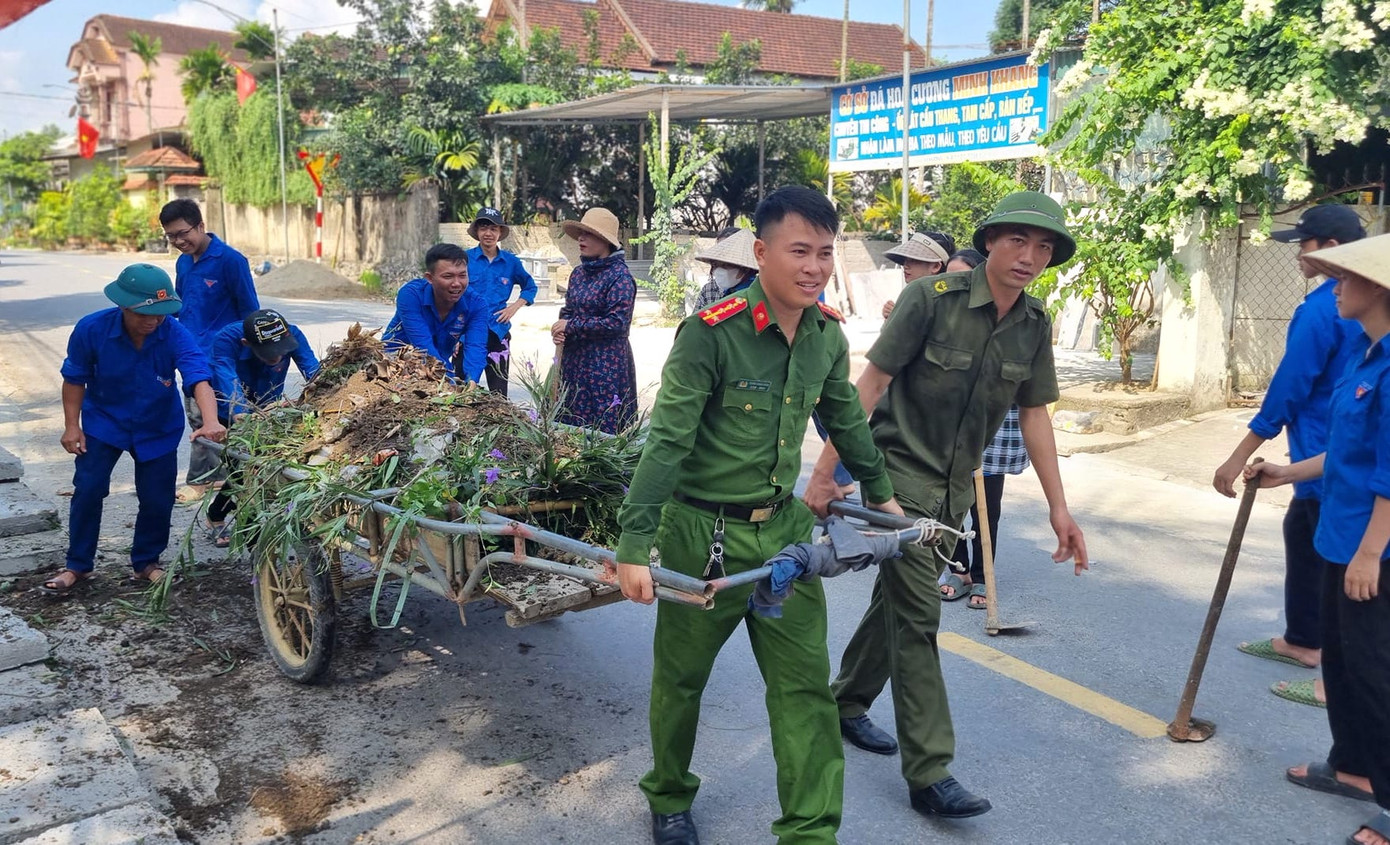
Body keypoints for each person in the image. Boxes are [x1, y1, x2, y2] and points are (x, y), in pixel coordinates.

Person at [612, 185, 903, 845]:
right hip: (700, 535)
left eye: (825, 252)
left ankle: (809, 830)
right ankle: (669, 794)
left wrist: (884, 498)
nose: (814, 266)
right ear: (762, 251)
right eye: (800, 250)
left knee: (803, 689)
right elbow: (668, 442)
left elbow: (846, 420)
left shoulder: (827, 335)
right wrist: (634, 545)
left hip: (784, 536)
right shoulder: (711, 335)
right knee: (681, 680)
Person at [804, 192, 1089, 820]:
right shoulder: (929, 301)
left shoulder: (1034, 324)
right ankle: (930, 771)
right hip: (894, 480)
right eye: (1017, 240)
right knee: (917, 612)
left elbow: (1035, 415)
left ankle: (846, 701)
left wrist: (1059, 510)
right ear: (990, 242)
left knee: (895, 602)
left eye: (1044, 247)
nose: (1030, 257)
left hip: (956, 488)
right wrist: (826, 474)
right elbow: (869, 387)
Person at [1244, 233, 1390, 845]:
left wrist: (1370, 552)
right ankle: (1352, 766)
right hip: (1340, 536)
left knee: (1375, 672)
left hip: (1372, 551)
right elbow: (1348, 455)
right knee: (1346, 663)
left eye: (1345, 281)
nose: (1335, 291)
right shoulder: (1366, 354)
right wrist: (1286, 471)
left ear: (1379, 291)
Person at [1212, 204, 1366, 708]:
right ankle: (1303, 640)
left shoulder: (1327, 309)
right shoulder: (1346, 304)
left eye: (1304, 243)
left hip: (1341, 466)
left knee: (1344, 570)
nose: (1297, 254)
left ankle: (1337, 681)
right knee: (1303, 533)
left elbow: (1288, 389)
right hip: (1327, 458)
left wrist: (1239, 455)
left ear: (1330, 248)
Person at [41, 264, 226, 595]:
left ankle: (147, 563)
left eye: (162, 313)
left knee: (157, 499)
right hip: (104, 422)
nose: (154, 321)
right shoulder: (91, 329)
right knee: (89, 488)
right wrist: (72, 426)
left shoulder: (173, 332)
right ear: (123, 306)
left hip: (157, 426)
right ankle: (77, 565)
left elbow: (198, 376)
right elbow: (75, 378)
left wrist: (211, 421)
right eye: (146, 314)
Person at [160, 199, 259, 498]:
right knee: (201, 424)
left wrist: (246, 361)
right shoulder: (182, 262)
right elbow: (181, 306)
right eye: (171, 236)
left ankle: (211, 491)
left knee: (227, 430)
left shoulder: (231, 261)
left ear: (201, 226)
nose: (179, 241)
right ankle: (211, 497)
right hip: (191, 359)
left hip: (225, 363)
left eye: (183, 233)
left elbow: (250, 314)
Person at [204, 309, 321, 547]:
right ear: (247, 343)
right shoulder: (227, 340)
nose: (278, 357)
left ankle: (243, 519)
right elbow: (227, 378)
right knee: (241, 469)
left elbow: (315, 372)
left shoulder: (292, 334)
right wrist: (242, 414)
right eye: (270, 354)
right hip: (230, 410)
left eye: (282, 351)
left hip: (269, 408)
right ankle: (222, 519)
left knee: (266, 466)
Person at [552, 207, 638, 434]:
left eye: (588, 234)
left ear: (605, 240)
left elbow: (617, 323)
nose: (581, 238)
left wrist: (572, 326)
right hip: (574, 362)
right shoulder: (578, 274)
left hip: (605, 365)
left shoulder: (620, 278)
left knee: (602, 430)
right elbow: (569, 309)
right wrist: (561, 326)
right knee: (570, 426)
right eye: (581, 233)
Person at [383, 242, 490, 383]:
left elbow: (476, 347)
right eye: (448, 276)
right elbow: (422, 345)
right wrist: (449, 381)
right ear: (429, 278)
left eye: (462, 275)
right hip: (393, 363)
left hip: (440, 365)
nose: (457, 283)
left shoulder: (476, 304)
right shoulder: (410, 295)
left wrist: (471, 382)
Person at [465, 207, 536, 397]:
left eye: (494, 229)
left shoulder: (511, 262)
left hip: (498, 332)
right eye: (484, 228)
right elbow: (452, 293)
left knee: (499, 394)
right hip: (467, 332)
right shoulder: (464, 259)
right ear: (477, 232)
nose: (488, 233)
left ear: (500, 233)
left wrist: (514, 307)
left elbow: (530, 287)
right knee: (462, 390)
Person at [880, 232, 951, 319]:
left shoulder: (947, 303)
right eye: (905, 259)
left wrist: (900, 318)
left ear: (936, 266)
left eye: (913, 260)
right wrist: (891, 320)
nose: (905, 266)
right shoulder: (913, 297)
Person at [691, 227, 758, 310]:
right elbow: (697, 321)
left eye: (726, 265)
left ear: (745, 268)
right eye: (715, 264)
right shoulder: (709, 290)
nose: (719, 270)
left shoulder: (758, 291)